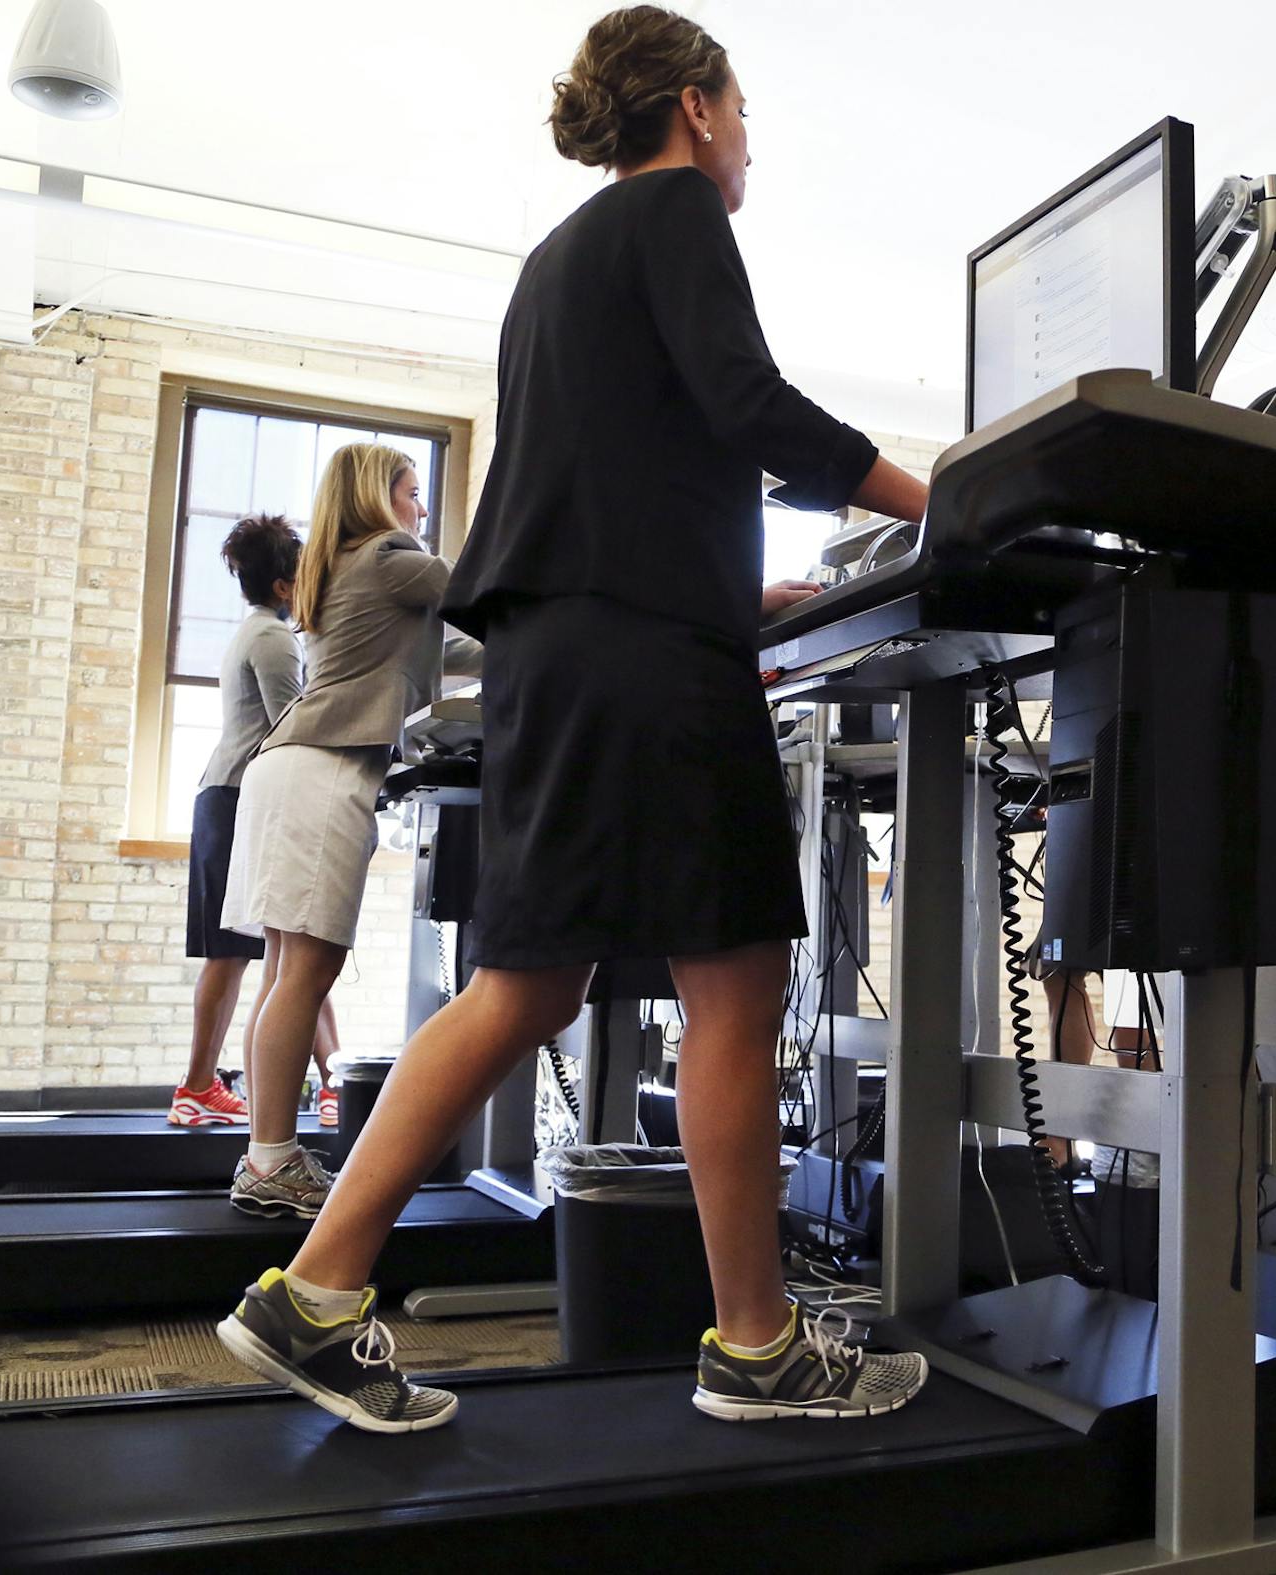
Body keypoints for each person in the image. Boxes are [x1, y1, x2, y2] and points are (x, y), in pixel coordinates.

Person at [216, 5, 934, 1432]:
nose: (748, 141)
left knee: (525, 983)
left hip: (559, 654)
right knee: (735, 985)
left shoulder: (559, 256)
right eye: (742, 111)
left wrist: (730, 577)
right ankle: (759, 1345)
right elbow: (747, 401)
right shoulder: (676, 210)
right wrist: (938, 498)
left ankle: (314, 1291)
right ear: (695, 107)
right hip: (646, 659)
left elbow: (628, 450)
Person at [216, 443, 448, 1220]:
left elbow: (455, 641)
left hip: (290, 767)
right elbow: (485, 589)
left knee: (287, 974)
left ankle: (267, 1155)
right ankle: (271, 1160)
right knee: (304, 974)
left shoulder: (348, 565)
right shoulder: (389, 554)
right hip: (321, 770)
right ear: (378, 495)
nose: (421, 507)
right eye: (412, 491)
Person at [177, 515, 343, 1129]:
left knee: (285, 949)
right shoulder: (274, 639)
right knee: (251, 953)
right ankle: (199, 1087)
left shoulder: (255, 630)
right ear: (283, 586)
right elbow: (291, 726)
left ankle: (331, 1081)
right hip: (235, 798)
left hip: (227, 794)